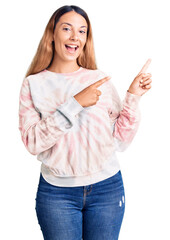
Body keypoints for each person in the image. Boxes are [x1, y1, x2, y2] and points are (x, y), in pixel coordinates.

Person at [18, 5, 152, 240]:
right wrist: (75, 104)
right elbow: (33, 143)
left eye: (82, 31)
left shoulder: (98, 79)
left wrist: (133, 96)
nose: (74, 37)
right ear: (52, 33)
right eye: (66, 28)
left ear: (86, 39)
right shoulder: (33, 84)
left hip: (107, 189)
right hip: (56, 194)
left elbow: (120, 141)